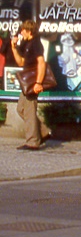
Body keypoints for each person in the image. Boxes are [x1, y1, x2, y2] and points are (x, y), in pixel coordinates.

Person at [10, 20, 51, 150]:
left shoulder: (36, 44)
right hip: (27, 82)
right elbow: (21, 62)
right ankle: (43, 132)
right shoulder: (26, 43)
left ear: (29, 31)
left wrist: (38, 83)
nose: (21, 32)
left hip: (33, 82)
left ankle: (32, 141)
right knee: (21, 109)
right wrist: (14, 47)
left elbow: (41, 63)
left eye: (23, 30)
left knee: (29, 110)